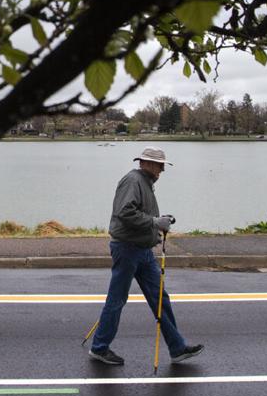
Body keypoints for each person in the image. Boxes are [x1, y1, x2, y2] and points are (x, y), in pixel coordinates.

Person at [87, 146, 204, 366]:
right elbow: (125, 213)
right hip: (127, 249)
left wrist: (159, 222)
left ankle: (177, 348)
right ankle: (99, 347)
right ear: (146, 163)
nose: (162, 170)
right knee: (117, 300)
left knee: (160, 298)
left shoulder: (145, 183)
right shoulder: (133, 181)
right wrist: (153, 222)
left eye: (163, 165)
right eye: (160, 165)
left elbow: (140, 213)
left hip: (142, 250)